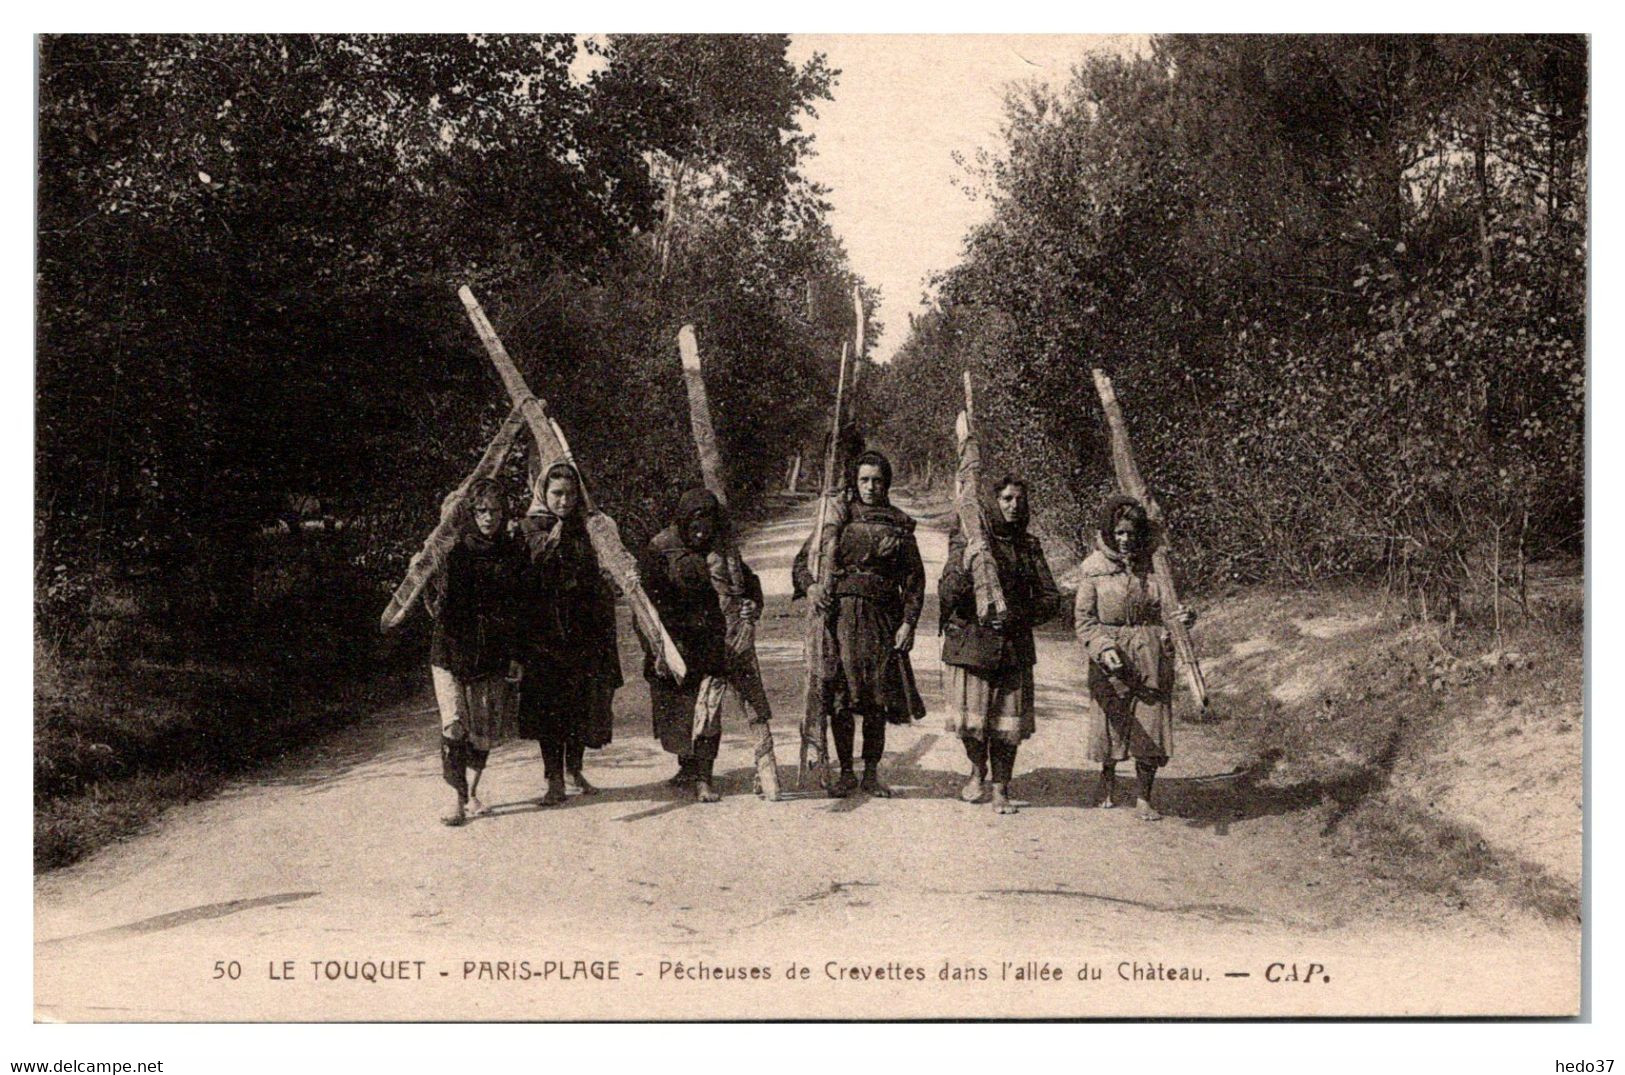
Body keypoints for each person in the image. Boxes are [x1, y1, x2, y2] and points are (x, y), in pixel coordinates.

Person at [938, 476, 1063, 814]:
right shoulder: (969, 538)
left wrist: (1018, 616)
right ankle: (978, 769)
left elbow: (1051, 598)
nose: (1013, 505)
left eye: (1019, 499)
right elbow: (947, 593)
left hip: (1012, 645)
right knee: (972, 724)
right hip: (971, 646)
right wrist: (967, 562)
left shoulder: (1028, 545)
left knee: (1007, 727)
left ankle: (1001, 789)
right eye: (1006, 498)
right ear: (993, 502)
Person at [809, 450, 926, 798]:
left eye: (877, 480)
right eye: (864, 480)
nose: (870, 486)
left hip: (880, 620)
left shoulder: (899, 523)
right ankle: (846, 772)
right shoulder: (836, 519)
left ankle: (871, 773)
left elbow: (914, 580)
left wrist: (908, 622)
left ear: (886, 482)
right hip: (840, 617)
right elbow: (805, 563)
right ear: (854, 482)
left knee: (876, 697)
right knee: (841, 696)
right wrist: (813, 587)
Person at [1073, 494, 1195, 821]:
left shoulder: (1155, 568)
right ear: (1110, 533)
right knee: (1110, 720)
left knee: (1152, 723)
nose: (1125, 540)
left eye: (1131, 533)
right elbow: (1084, 620)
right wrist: (1103, 648)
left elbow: (1169, 609)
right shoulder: (1093, 569)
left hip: (1150, 652)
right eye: (1119, 533)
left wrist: (1183, 619)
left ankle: (1144, 795)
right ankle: (1108, 778)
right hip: (1109, 652)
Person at [517, 461, 622, 807]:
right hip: (544, 634)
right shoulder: (530, 527)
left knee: (580, 704)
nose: (563, 501)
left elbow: (605, 569)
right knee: (550, 710)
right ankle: (554, 779)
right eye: (556, 493)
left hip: (583, 631)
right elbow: (528, 573)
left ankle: (575, 769)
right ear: (543, 493)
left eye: (570, 494)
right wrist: (553, 538)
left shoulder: (590, 527)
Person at [642, 488, 756, 803]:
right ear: (683, 521)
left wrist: (749, 604)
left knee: (707, 711)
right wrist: (656, 646)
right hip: (674, 642)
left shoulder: (724, 551)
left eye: (707, 524)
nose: (701, 531)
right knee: (678, 710)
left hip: (712, 643)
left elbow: (748, 584)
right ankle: (687, 766)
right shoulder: (661, 548)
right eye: (695, 524)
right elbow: (646, 600)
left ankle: (704, 777)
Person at [428, 479, 524, 827]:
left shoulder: (512, 551)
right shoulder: (451, 550)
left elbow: (518, 607)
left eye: (495, 511)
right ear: (470, 512)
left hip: (491, 653)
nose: (488, 518)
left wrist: (516, 654)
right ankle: (455, 798)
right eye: (481, 510)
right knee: (454, 725)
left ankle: (472, 793)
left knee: (482, 733)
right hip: (451, 650)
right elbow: (430, 592)